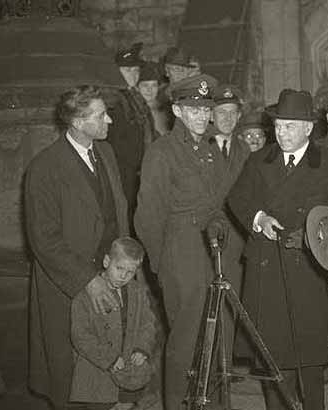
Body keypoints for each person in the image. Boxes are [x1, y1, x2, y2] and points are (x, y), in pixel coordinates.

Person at [227, 89, 328, 410]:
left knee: (309, 357)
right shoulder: (260, 159)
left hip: (310, 270)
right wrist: (258, 218)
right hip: (267, 267)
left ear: (309, 129)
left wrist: (313, 236)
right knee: (272, 356)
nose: (281, 133)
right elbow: (238, 199)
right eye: (278, 126)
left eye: (289, 126)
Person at [25, 85, 129, 410]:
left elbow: (114, 215)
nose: (109, 120)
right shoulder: (44, 168)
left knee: (106, 367)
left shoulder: (106, 154)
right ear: (77, 122)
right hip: (68, 285)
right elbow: (44, 239)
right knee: (70, 378)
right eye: (100, 115)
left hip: (109, 278)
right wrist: (88, 279)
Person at [134, 73, 226, 410]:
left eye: (206, 109)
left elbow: (218, 202)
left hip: (210, 252)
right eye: (194, 109)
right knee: (185, 340)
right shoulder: (162, 152)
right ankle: (177, 404)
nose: (202, 116)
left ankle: (209, 403)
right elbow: (147, 216)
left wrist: (216, 224)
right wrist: (162, 265)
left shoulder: (211, 151)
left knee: (213, 336)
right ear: (177, 110)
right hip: (180, 254)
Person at [70, 237, 157, 410]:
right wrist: (108, 359)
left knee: (126, 405)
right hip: (98, 371)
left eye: (130, 272)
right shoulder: (84, 297)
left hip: (128, 370)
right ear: (106, 261)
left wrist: (142, 348)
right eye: (119, 268)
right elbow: (80, 336)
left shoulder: (137, 292)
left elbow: (148, 323)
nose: (123, 276)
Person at [210, 84, 251, 369]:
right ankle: (210, 364)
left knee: (232, 299)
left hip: (236, 238)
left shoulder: (243, 148)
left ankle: (225, 364)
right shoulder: (201, 146)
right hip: (208, 237)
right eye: (221, 112)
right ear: (211, 115)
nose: (226, 118)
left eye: (232, 113)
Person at [108, 43, 157, 232]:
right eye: (128, 70)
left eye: (136, 70)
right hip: (124, 171)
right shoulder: (114, 100)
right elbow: (115, 141)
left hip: (138, 170)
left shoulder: (133, 97)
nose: (134, 74)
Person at [138, 61, 172, 137]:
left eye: (154, 85)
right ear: (137, 88)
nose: (149, 90)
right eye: (145, 85)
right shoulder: (130, 111)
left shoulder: (167, 110)